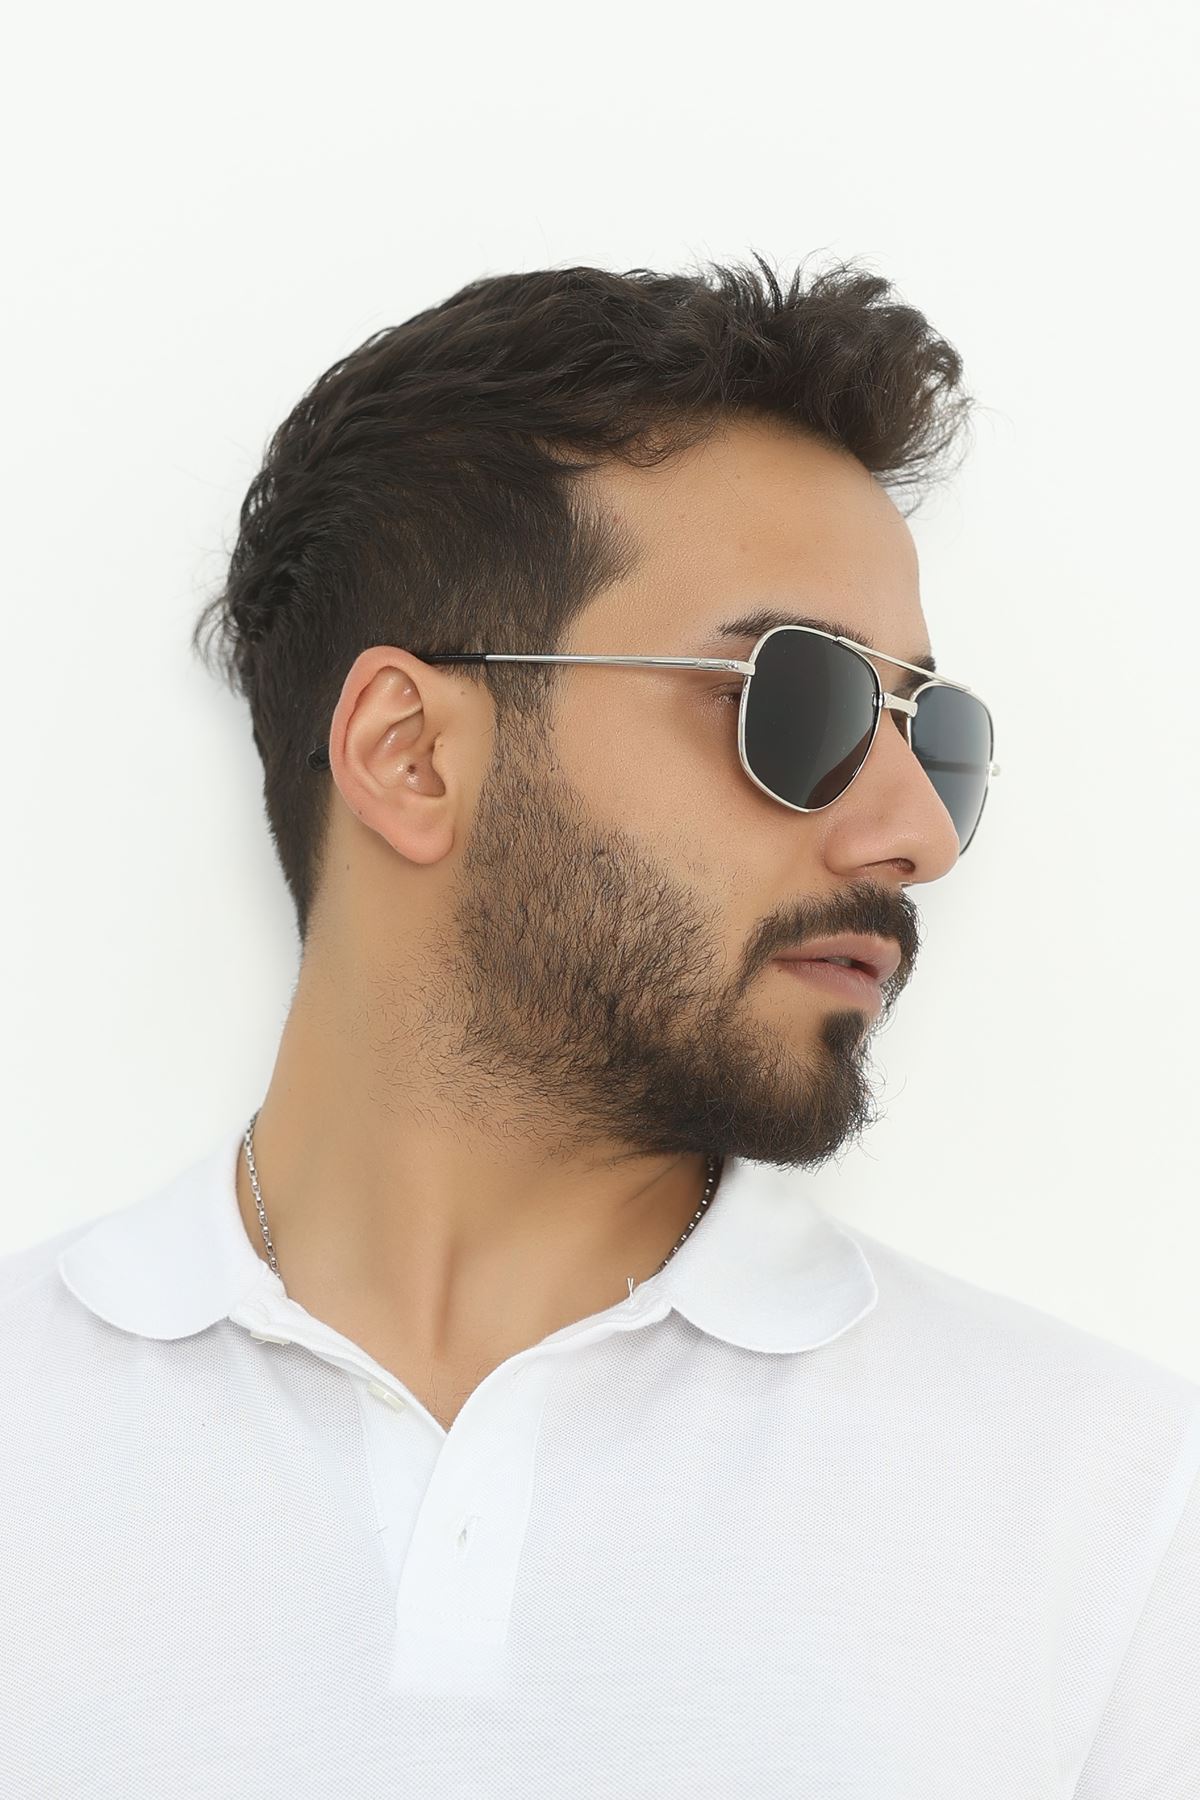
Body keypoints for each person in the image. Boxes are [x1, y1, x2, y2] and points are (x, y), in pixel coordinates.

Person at [3, 255, 1196, 1796]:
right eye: (800, 701)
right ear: (411, 755)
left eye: (934, 735)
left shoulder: (1112, 1521)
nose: (914, 836)